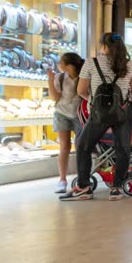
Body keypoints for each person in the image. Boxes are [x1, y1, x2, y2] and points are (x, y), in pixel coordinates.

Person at [61, 33, 132, 201]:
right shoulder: (131, 65)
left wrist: (96, 102)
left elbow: (81, 90)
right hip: (124, 112)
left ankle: (84, 186)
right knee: (122, 148)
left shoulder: (91, 62)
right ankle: (116, 188)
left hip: (98, 113)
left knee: (83, 145)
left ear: (104, 47)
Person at [48, 52, 84, 194]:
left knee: (81, 146)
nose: (58, 65)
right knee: (64, 147)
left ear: (68, 66)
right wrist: (50, 80)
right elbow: (55, 97)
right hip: (62, 113)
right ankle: (62, 180)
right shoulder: (60, 77)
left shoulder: (83, 77)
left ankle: (82, 177)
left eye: (60, 63)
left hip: (79, 115)